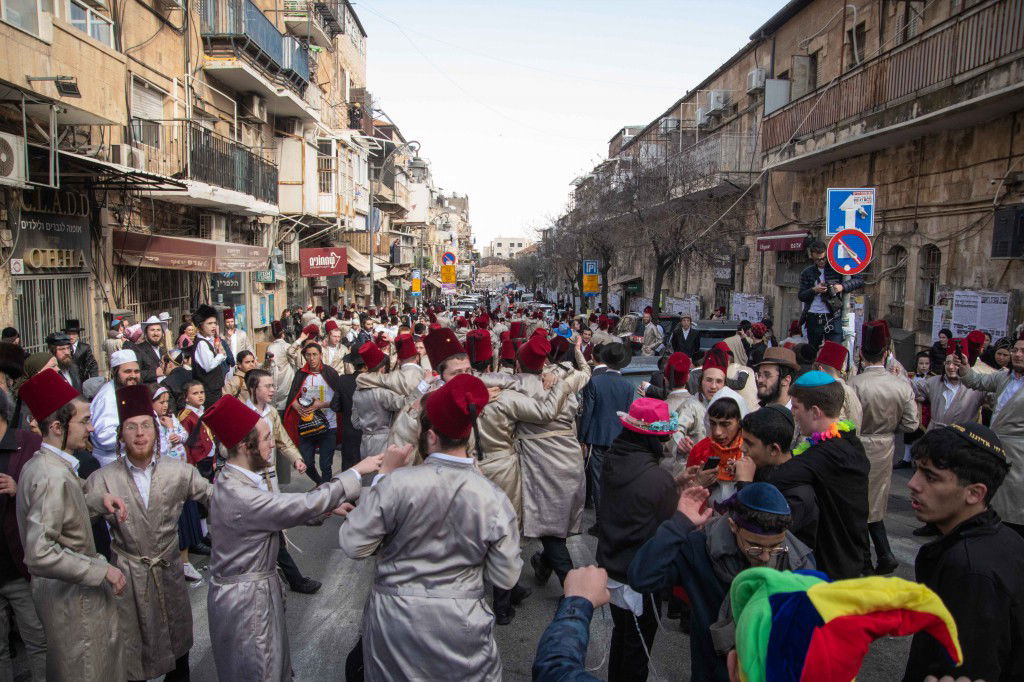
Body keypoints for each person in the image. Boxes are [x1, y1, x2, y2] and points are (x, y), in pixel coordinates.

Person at [339, 374, 521, 681]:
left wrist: (383, 476)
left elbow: (354, 544)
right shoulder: (493, 497)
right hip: (461, 620)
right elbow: (506, 575)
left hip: (395, 619)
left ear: (431, 435)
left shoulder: (396, 484)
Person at [205, 394, 381, 680]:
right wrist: (354, 473)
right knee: (261, 670)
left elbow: (281, 509)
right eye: (265, 439)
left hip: (250, 594)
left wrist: (327, 509)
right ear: (243, 445)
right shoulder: (238, 493)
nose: (272, 444)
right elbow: (296, 507)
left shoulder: (237, 480)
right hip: (246, 603)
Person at [84, 384, 211, 681]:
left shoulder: (178, 471)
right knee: (132, 653)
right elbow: (78, 515)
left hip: (168, 570)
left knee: (178, 647)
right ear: (121, 435)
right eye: (131, 428)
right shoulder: (103, 478)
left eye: (145, 426)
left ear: (156, 432)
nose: (140, 434)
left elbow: (215, 498)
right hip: (127, 576)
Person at [628, 483, 815, 682]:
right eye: (755, 546)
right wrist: (678, 525)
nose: (765, 557)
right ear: (733, 526)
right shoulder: (699, 548)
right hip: (711, 672)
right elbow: (641, 578)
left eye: (776, 546)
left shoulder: (799, 560)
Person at [15, 369, 128, 681]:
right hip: (71, 601)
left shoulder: (49, 466)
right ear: (56, 427)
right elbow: (39, 554)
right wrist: (101, 570)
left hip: (71, 598)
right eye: (84, 421)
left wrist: (97, 500)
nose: (91, 428)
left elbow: (67, 509)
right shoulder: (49, 476)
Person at [899, 423, 1024, 681]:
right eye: (916, 469)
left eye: (930, 476)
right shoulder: (1004, 538)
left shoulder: (969, 569)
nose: (913, 484)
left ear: (975, 493)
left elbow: (968, 667)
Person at [596, 397, 678, 682]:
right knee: (637, 650)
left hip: (611, 566)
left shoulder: (613, 460)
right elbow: (669, 528)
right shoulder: (658, 479)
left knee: (622, 636)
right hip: (640, 576)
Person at [767, 370, 869, 579]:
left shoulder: (826, 453)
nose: (794, 414)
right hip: (853, 553)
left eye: (796, 407)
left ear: (815, 411)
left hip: (835, 561)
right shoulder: (849, 441)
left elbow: (779, 478)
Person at [243, 369, 323, 594]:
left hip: (270, 480)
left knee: (273, 531)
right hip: (250, 483)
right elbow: (226, 448)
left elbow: (282, 440)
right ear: (253, 389)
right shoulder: (242, 414)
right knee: (268, 532)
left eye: (272, 385)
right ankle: (290, 579)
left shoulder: (271, 413)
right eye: (266, 386)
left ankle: (284, 578)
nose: (272, 390)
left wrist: (296, 459)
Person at [849, 320, 919, 574]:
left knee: (858, 504)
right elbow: (912, 424)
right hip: (885, 446)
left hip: (857, 445)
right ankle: (883, 554)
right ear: (887, 352)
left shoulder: (854, 384)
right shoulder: (901, 384)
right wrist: (889, 427)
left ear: (861, 353)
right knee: (875, 503)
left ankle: (869, 559)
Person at [956, 333, 1024, 537]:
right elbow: (977, 381)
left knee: (1016, 505)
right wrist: (965, 368)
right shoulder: (1004, 376)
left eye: (1023, 351)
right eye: (1016, 350)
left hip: (1020, 454)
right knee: (995, 499)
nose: (1018, 355)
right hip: (997, 450)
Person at [0, 387, 46, 681]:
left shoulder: (28, 444)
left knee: (39, 643)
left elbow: (50, 495)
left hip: (21, 567)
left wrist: (19, 490)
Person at [733, 406, 818, 547]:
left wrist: (745, 484)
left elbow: (761, 535)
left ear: (774, 449)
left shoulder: (797, 494)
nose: (742, 449)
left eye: (749, 443)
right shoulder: (765, 468)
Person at [578, 342, 634, 534]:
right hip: (619, 438)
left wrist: (582, 437)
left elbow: (588, 412)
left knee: (599, 482)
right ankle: (615, 520)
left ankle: (602, 522)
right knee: (616, 481)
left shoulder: (595, 382)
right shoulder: (627, 386)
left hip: (597, 436)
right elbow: (626, 413)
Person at [283, 341, 344, 484]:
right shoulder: (300, 374)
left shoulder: (330, 373)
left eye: (315, 355)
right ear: (304, 356)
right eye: (308, 355)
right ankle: (320, 483)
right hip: (306, 424)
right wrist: (296, 406)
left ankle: (327, 491)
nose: (312, 358)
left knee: (325, 464)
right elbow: (292, 396)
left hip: (329, 425)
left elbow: (339, 399)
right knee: (307, 462)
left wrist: (321, 404)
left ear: (321, 355)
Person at [797, 239, 864, 350]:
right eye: (818, 260)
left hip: (833, 315)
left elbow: (859, 280)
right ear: (812, 258)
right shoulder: (807, 272)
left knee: (834, 350)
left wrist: (841, 287)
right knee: (812, 351)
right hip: (813, 317)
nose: (821, 262)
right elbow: (801, 296)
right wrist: (814, 290)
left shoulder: (836, 269)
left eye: (823, 258)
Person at [687, 387, 749, 501]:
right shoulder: (700, 450)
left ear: (740, 423)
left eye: (725, 424)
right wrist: (698, 482)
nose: (717, 432)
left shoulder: (750, 452)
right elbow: (686, 495)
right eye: (713, 423)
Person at [351, 342, 405, 461]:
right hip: (384, 443)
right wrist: (423, 385)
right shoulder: (382, 393)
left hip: (365, 443)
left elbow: (355, 422)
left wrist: (368, 427)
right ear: (382, 368)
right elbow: (407, 403)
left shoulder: (357, 391)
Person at [89, 349, 142, 467]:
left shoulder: (129, 391)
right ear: (115, 372)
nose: (133, 376)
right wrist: (138, 436)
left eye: (136, 371)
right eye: (127, 371)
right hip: (112, 463)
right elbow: (105, 438)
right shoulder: (108, 397)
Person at [914, 354, 986, 431]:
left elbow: (995, 399)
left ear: (966, 366)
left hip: (961, 438)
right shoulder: (932, 382)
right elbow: (912, 391)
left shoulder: (977, 388)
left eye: (956, 364)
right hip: (934, 435)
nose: (951, 367)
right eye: (948, 363)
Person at [190, 305, 228, 408]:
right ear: (201, 325)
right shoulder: (201, 343)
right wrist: (220, 355)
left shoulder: (209, 340)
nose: (213, 326)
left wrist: (220, 353)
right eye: (209, 323)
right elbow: (208, 366)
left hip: (214, 389)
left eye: (215, 323)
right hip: (208, 391)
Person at [129, 316, 167, 384]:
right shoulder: (138, 349)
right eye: (152, 330)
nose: (156, 333)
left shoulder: (163, 350)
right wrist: (155, 373)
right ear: (146, 333)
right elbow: (134, 374)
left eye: (158, 330)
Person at [63, 319, 98, 384]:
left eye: (73, 334)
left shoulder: (84, 348)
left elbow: (92, 365)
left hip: (82, 382)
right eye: (69, 334)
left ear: (78, 335)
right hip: (67, 382)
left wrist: (94, 381)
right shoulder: (63, 348)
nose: (71, 337)